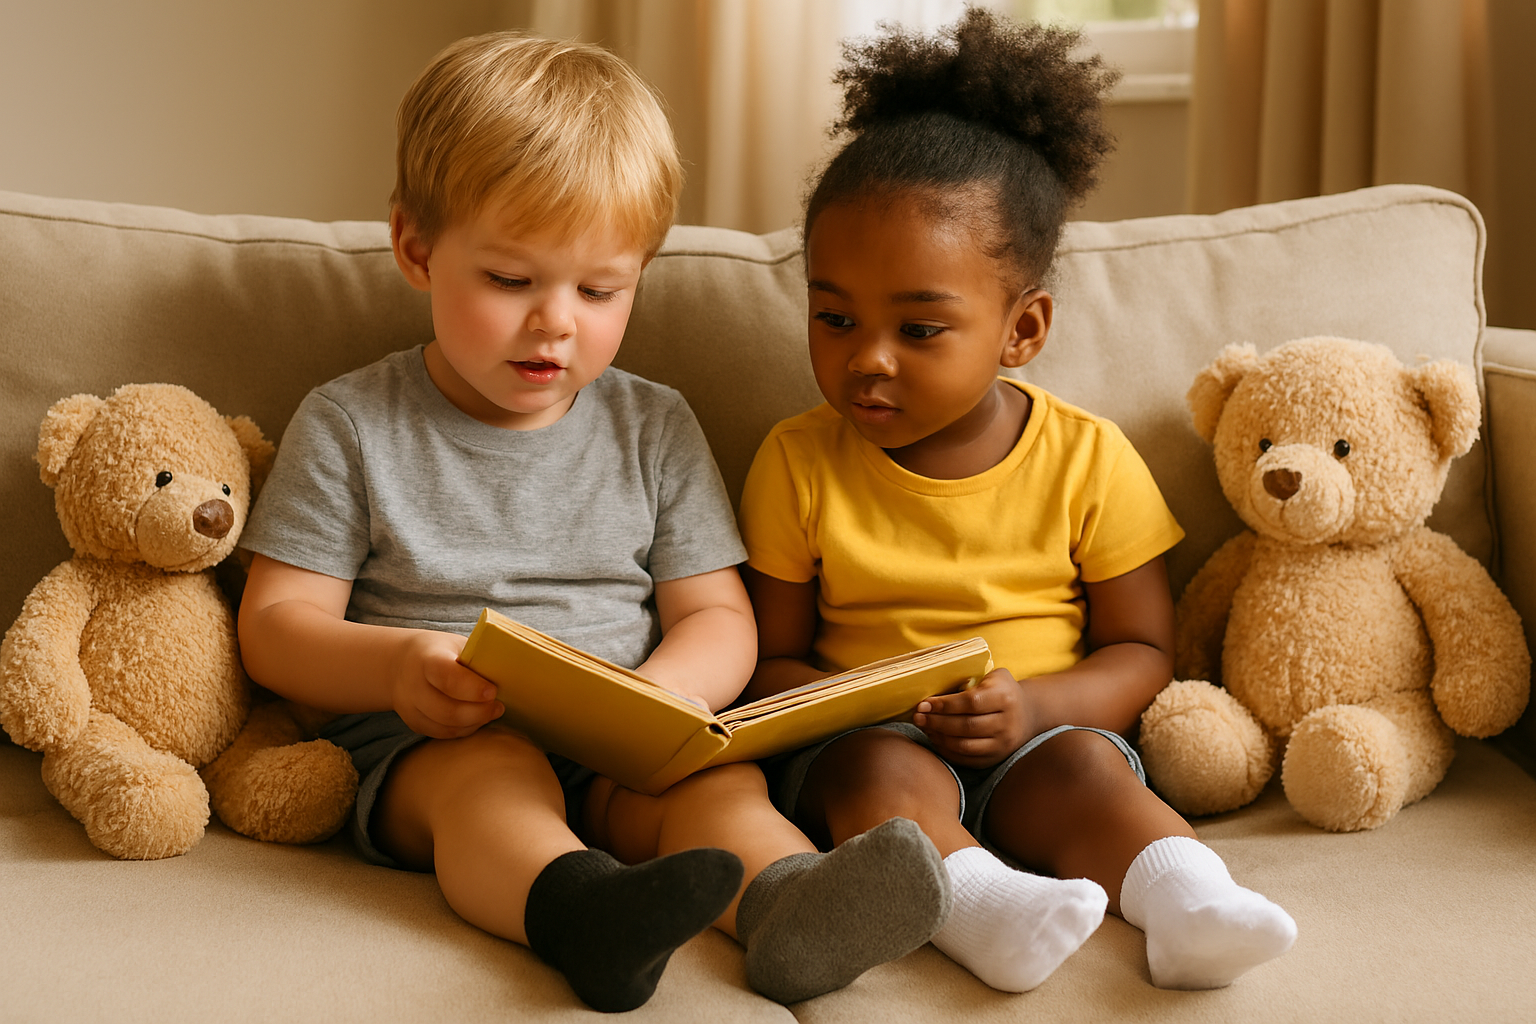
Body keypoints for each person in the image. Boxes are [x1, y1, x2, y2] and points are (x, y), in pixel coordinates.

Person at [237, 32, 950, 1014]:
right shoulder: (352, 424)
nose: (556, 322)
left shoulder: (653, 422)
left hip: (622, 749)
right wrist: (400, 667)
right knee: (490, 776)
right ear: (415, 248)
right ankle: (582, 913)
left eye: (599, 290)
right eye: (510, 281)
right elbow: (274, 627)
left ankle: (793, 903)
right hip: (428, 750)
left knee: (717, 796)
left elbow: (718, 615)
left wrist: (660, 698)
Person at [738, 9, 1298, 996]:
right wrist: (857, 701)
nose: (866, 357)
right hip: (872, 740)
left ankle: (1190, 905)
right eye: (833, 317)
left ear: (1022, 327)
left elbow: (1142, 653)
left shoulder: (1088, 458)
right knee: (880, 781)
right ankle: (980, 908)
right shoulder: (796, 462)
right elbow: (771, 658)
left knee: (1089, 779)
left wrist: (1034, 704)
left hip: (1045, 725)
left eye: (919, 327)